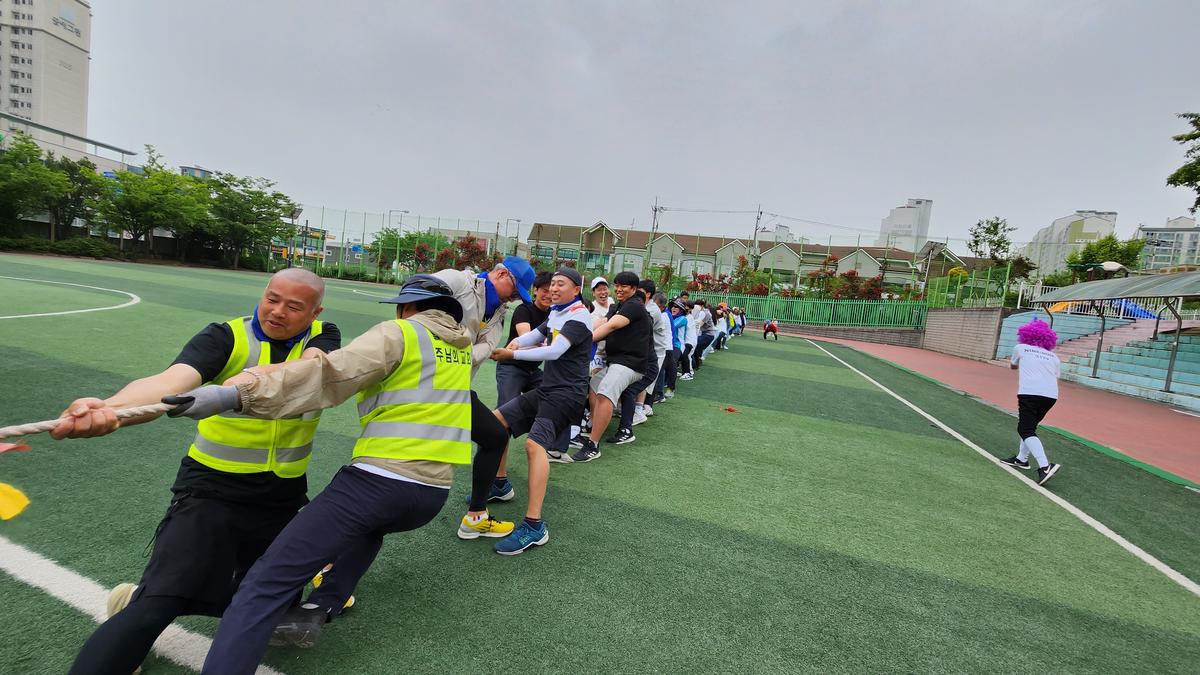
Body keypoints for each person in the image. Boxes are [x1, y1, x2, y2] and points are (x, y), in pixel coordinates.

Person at [160, 275, 473, 673]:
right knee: (370, 529)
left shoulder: (400, 333)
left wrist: (236, 395)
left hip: (380, 481)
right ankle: (319, 606)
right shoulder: (459, 348)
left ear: (407, 307)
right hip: (431, 494)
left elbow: (328, 375)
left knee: (263, 586)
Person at [53, 269, 340, 675]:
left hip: (281, 499)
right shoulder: (225, 337)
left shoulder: (323, 337)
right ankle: (142, 603)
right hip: (211, 491)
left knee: (264, 603)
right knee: (161, 603)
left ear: (315, 312)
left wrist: (240, 386)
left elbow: (306, 372)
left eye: (294, 306)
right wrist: (112, 410)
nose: (278, 312)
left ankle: (139, 598)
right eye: (272, 299)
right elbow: (170, 381)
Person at [461, 267, 593, 554]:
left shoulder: (579, 316)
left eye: (561, 284)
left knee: (535, 446)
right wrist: (517, 341)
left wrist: (512, 353)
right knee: (495, 426)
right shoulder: (558, 312)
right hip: (548, 389)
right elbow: (537, 334)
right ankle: (498, 484)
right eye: (552, 283)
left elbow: (554, 351)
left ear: (576, 290)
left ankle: (534, 526)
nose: (553, 288)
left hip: (566, 395)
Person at [484, 271, 553, 502]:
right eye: (544, 291)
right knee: (502, 418)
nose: (548, 295)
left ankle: (553, 445)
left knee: (556, 397)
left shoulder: (554, 314)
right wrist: (550, 346)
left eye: (552, 291)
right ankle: (499, 479)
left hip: (533, 371)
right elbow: (527, 337)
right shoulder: (524, 309)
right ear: (536, 291)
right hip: (512, 366)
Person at [581, 271, 648, 451]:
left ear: (633, 288)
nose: (618, 289)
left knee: (605, 392)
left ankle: (593, 445)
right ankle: (593, 426)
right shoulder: (618, 305)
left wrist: (581, 342)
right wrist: (574, 332)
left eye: (623, 286)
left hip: (631, 363)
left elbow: (611, 325)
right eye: (617, 285)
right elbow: (603, 321)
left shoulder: (634, 306)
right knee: (594, 385)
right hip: (616, 361)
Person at [1000, 319, 1062, 485]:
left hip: (1030, 393)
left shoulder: (1020, 348)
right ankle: (1022, 459)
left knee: (1025, 429)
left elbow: (1013, 365)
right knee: (1030, 428)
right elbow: (1055, 375)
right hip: (1050, 396)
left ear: (1026, 334)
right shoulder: (1054, 357)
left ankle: (1044, 466)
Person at [693, 299, 715, 369]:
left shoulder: (706, 313)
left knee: (694, 345)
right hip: (704, 334)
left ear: (702, 306)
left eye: (698, 306)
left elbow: (699, 324)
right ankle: (697, 362)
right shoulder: (700, 312)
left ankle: (695, 363)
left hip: (708, 334)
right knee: (697, 347)